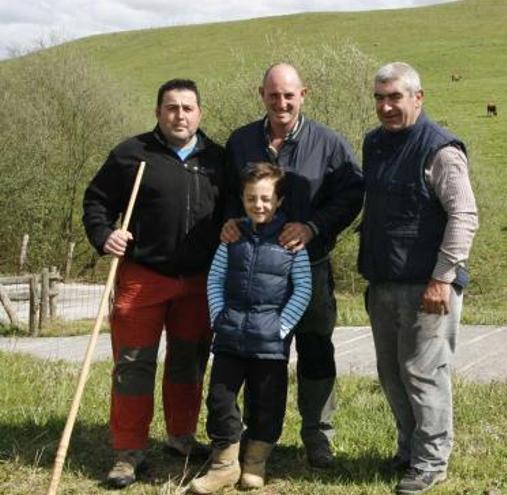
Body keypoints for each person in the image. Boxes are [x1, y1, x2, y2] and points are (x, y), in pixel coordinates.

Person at [82, 78, 225, 489]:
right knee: (132, 365)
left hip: (197, 281)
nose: (180, 115)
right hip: (142, 277)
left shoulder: (217, 159)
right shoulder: (132, 153)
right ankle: (129, 450)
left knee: (188, 362)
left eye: (188, 108)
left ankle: (181, 437)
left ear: (200, 112)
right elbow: (95, 201)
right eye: (171, 108)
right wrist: (103, 234)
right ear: (158, 112)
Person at [222, 62, 364, 468]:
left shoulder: (329, 143)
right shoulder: (241, 141)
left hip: (311, 267)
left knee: (317, 348)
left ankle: (318, 435)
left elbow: (353, 194)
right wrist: (231, 221)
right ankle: (259, 435)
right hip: (254, 272)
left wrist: (314, 226)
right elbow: (228, 195)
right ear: (261, 95)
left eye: (289, 94)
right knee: (262, 354)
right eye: (273, 94)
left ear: (305, 94)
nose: (281, 102)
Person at [358, 62, 478, 495]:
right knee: (391, 373)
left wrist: (442, 279)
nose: (386, 106)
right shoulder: (375, 144)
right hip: (384, 280)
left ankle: (431, 461)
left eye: (395, 97)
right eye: (380, 97)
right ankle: (409, 449)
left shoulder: (441, 149)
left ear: (418, 98)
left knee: (424, 373)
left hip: (428, 285)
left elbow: (464, 216)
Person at [190, 163, 312, 494]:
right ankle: (224, 465)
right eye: (251, 199)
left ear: (279, 200)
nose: (258, 205)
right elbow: (215, 279)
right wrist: (218, 317)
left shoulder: (291, 242)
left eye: (266, 199)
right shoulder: (232, 237)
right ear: (242, 200)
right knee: (220, 399)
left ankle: (256, 462)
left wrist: (282, 327)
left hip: (270, 342)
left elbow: (302, 288)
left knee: (267, 403)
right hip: (229, 337)